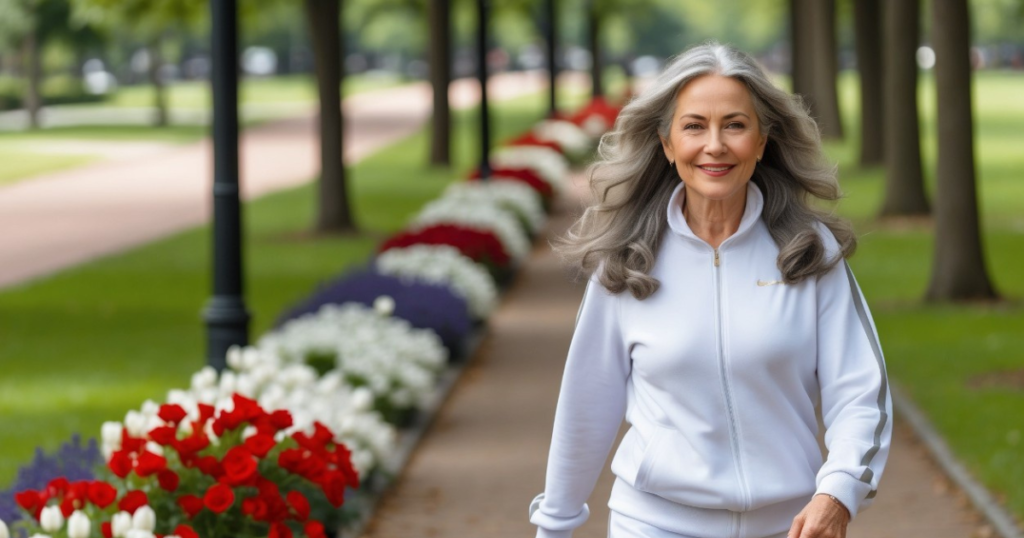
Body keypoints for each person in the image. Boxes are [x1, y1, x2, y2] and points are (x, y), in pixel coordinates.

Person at [528, 42, 892, 538]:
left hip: (787, 527)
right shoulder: (628, 260)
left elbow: (860, 391)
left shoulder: (807, 252)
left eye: (735, 125)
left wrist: (839, 491)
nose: (714, 145)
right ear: (667, 142)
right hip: (653, 523)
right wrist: (553, 526)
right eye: (694, 125)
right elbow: (587, 404)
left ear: (762, 141)